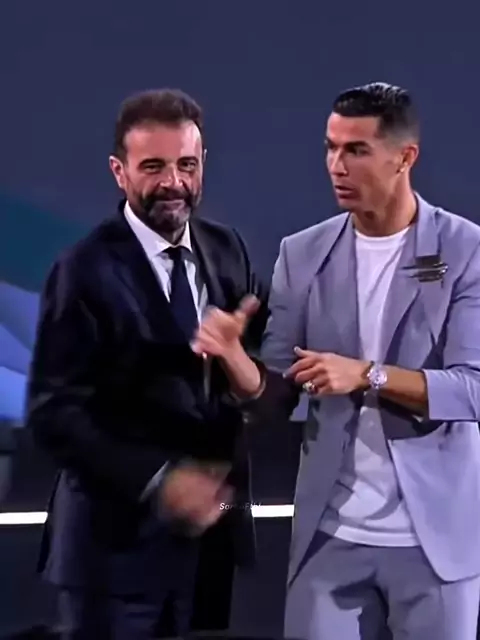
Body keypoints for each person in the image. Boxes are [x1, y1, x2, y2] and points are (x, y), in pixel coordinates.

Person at [191, 82, 480, 639]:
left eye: (356, 150)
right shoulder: (302, 254)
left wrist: (368, 375)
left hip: (437, 543)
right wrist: (233, 356)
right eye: (330, 148)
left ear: (405, 157)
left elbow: (472, 389)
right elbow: (276, 393)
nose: (336, 166)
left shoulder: (464, 249)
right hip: (331, 536)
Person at [26, 88, 267, 640]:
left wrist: (238, 362)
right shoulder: (83, 270)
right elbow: (54, 413)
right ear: (120, 172)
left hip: (208, 551)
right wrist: (162, 481)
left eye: (187, 165)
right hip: (114, 558)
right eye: (153, 167)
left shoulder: (226, 250)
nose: (173, 183)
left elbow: (258, 383)